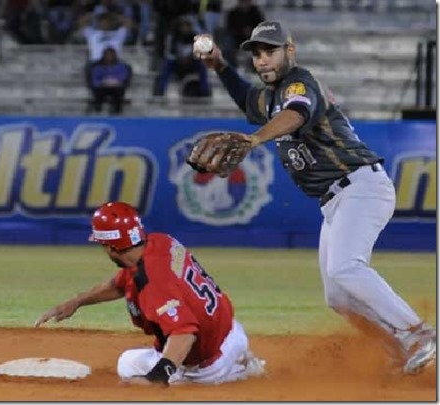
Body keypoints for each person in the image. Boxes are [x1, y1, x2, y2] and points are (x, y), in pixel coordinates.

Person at [190, 21, 436, 376]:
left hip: (361, 186)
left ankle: (418, 333)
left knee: (346, 268)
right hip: (336, 199)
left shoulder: (299, 83)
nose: (262, 60)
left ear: (290, 51)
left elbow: (297, 114)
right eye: (257, 54)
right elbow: (247, 99)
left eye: (270, 51)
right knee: (337, 296)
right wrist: (221, 65)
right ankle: (396, 347)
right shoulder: (270, 96)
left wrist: (256, 139)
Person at [36, 201, 266, 385]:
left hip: (207, 362)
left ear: (111, 246)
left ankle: (226, 373)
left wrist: (157, 378)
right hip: (231, 331)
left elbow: (184, 333)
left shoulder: (152, 284)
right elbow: (121, 283)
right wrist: (77, 301)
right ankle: (240, 357)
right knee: (162, 340)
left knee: (127, 364)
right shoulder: (160, 242)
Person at [89, 47, 132, 115]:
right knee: (97, 92)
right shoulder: (97, 67)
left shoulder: (121, 66)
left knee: (120, 92)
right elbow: (95, 80)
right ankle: (97, 111)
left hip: (116, 87)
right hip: (102, 87)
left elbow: (123, 78)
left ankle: (117, 112)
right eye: (107, 55)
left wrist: (115, 82)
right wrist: (104, 82)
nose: (109, 57)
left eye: (111, 55)